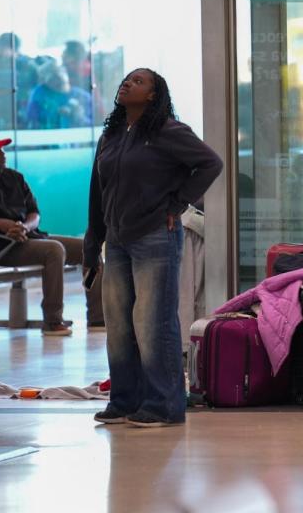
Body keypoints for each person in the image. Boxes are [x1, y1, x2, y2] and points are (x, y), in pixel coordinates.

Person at [84, 69, 222, 428]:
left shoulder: (168, 131)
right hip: (116, 240)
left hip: (154, 236)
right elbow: (96, 194)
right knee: (118, 324)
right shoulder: (112, 134)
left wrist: (177, 203)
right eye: (126, 79)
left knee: (152, 322)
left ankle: (164, 405)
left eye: (139, 81)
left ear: (152, 95)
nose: (128, 83)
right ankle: (125, 401)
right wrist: (91, 244)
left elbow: (210, 164)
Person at [0, 131, 103, 335]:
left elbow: (34, 213)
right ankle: (52, 320)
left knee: (87, 248)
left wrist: (24, 227)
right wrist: (0, 224)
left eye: (2, 148)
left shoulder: (15, 178)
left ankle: (97, 316)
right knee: (53, 250)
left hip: (29, 237)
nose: (2, 154)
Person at [25, 61, 93, 129]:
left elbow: (93, 127)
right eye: (52, 77)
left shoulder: (83, 97)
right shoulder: (39, 94)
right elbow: (31, 122)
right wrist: (54, 113)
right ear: (44, 82)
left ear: (66, 72)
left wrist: (77, 115)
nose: (59, 78)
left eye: (59, 73)